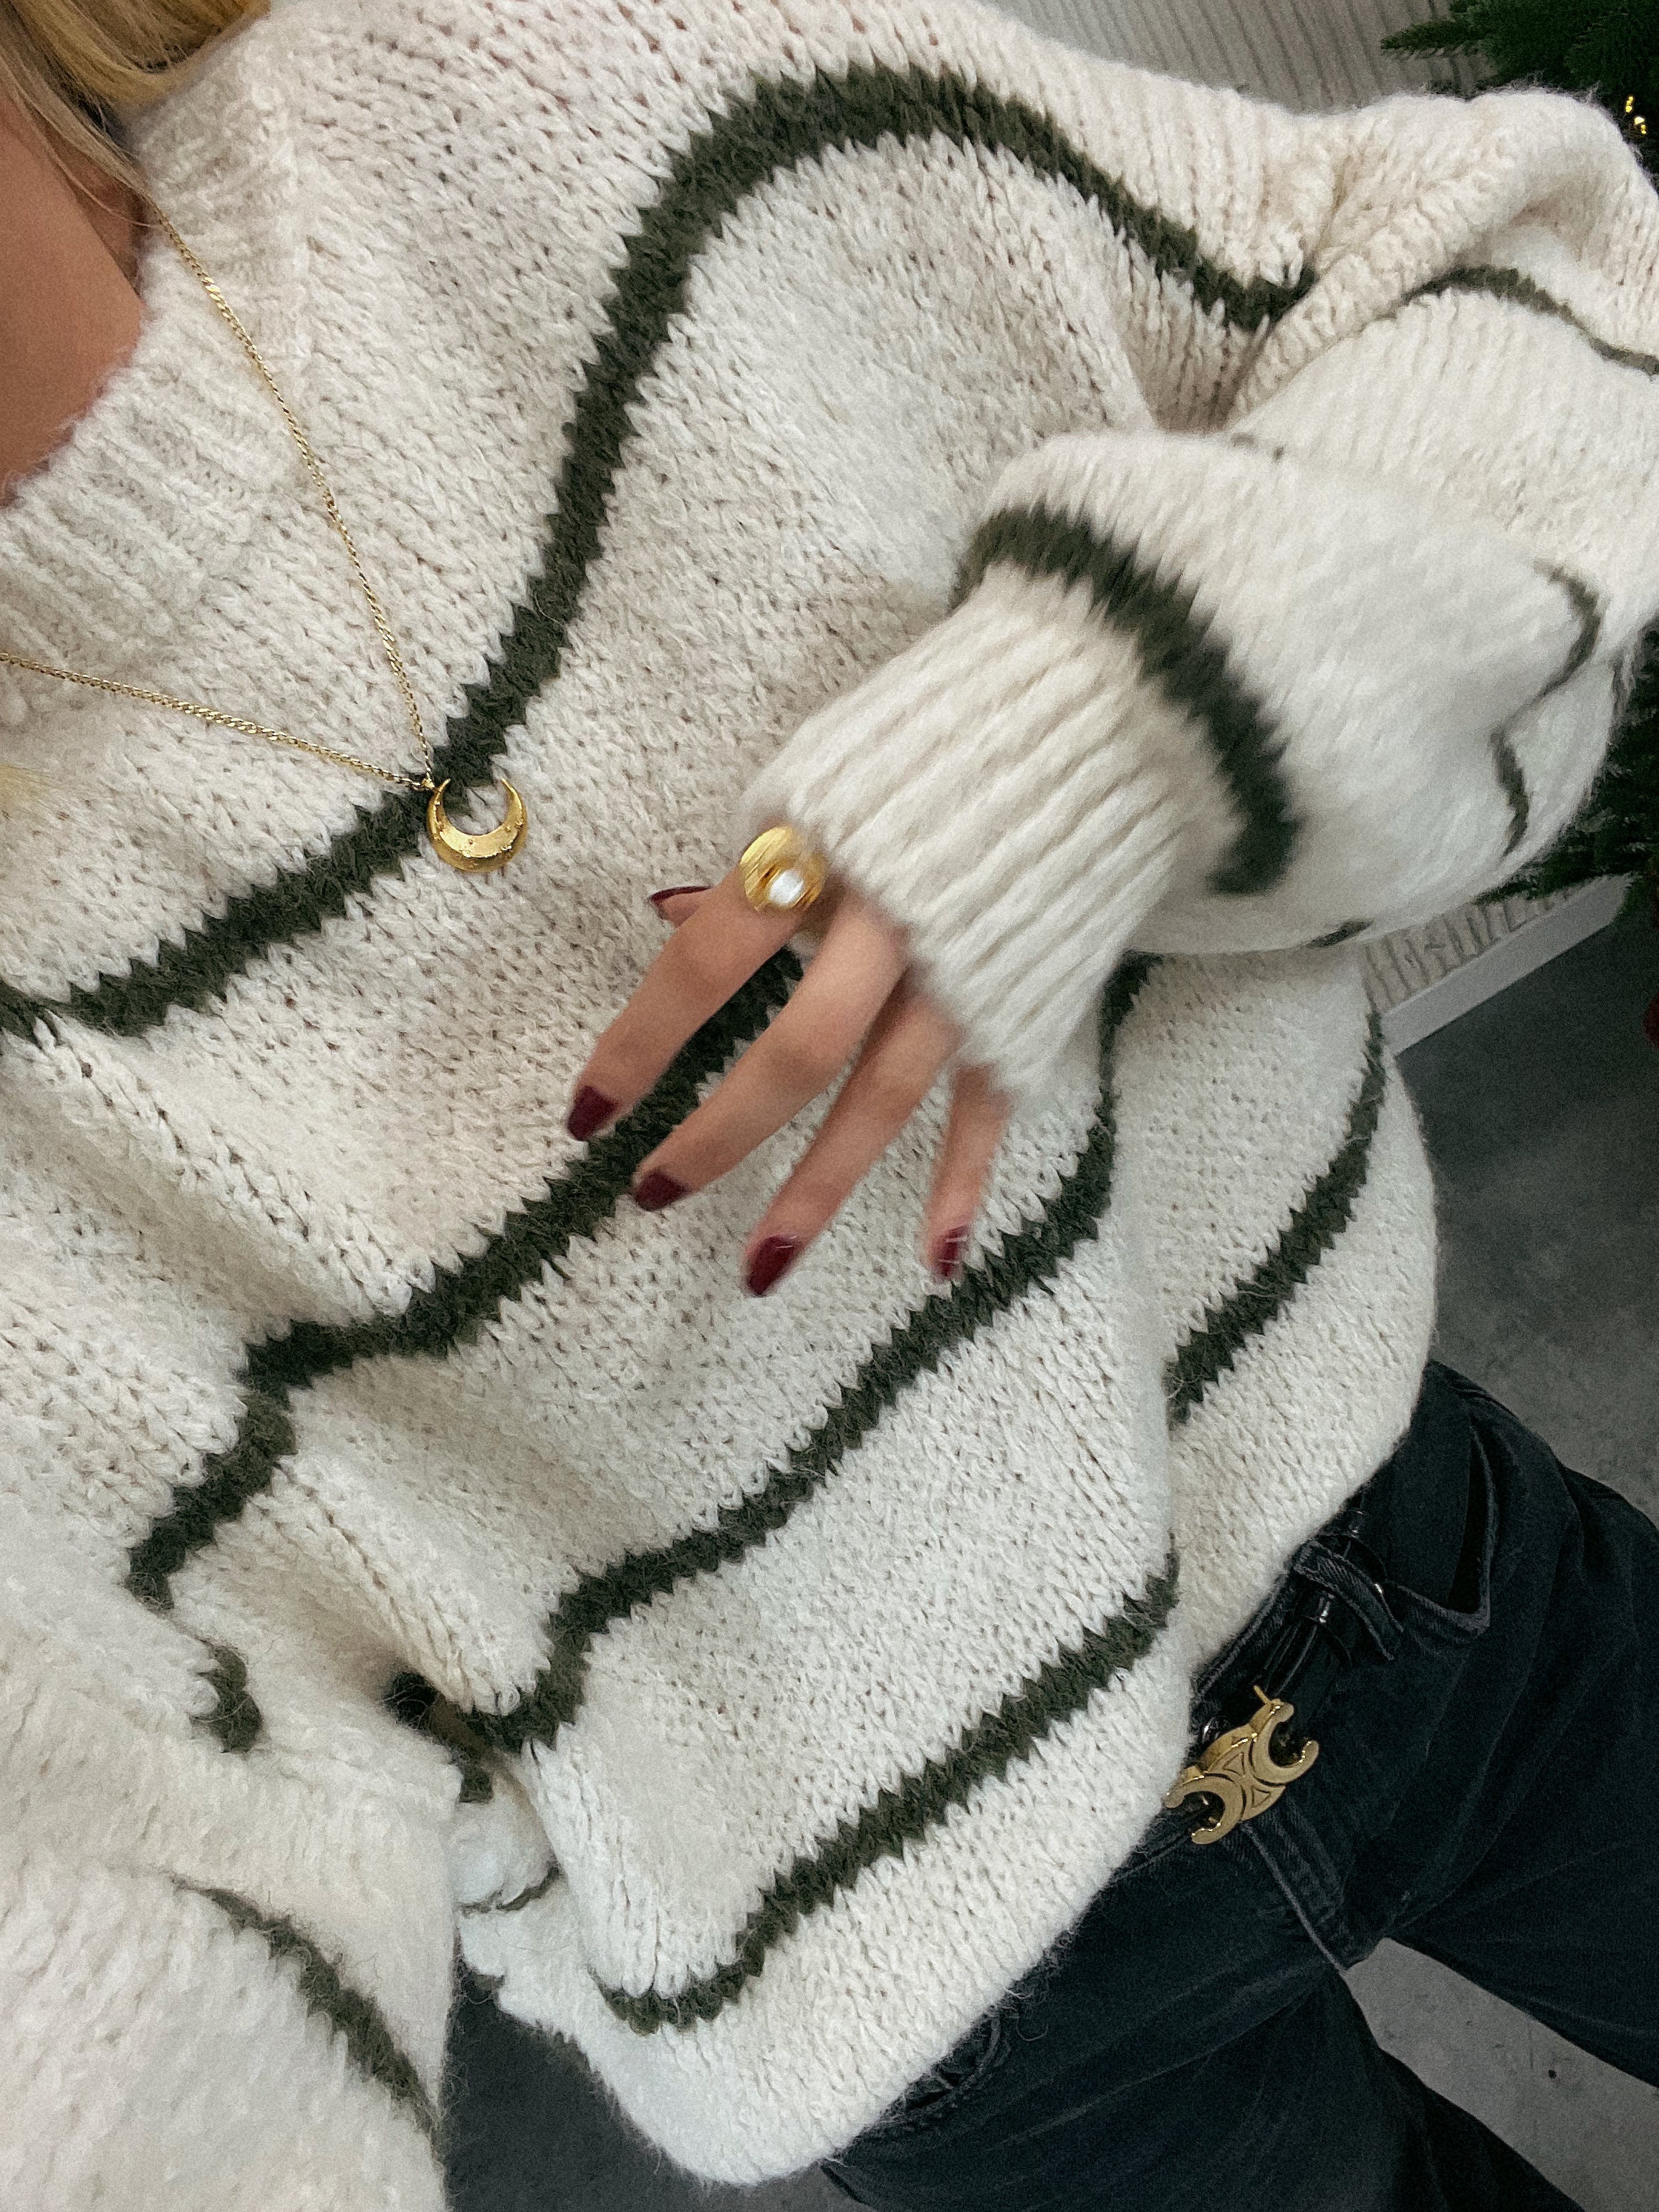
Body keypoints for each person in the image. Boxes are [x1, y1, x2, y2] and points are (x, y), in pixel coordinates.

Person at [1, 1, 1655, 2207]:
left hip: (1406, 1575)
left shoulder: (504, 111)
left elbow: (1553, 286)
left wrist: (1101, 732)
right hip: (928, 2029)